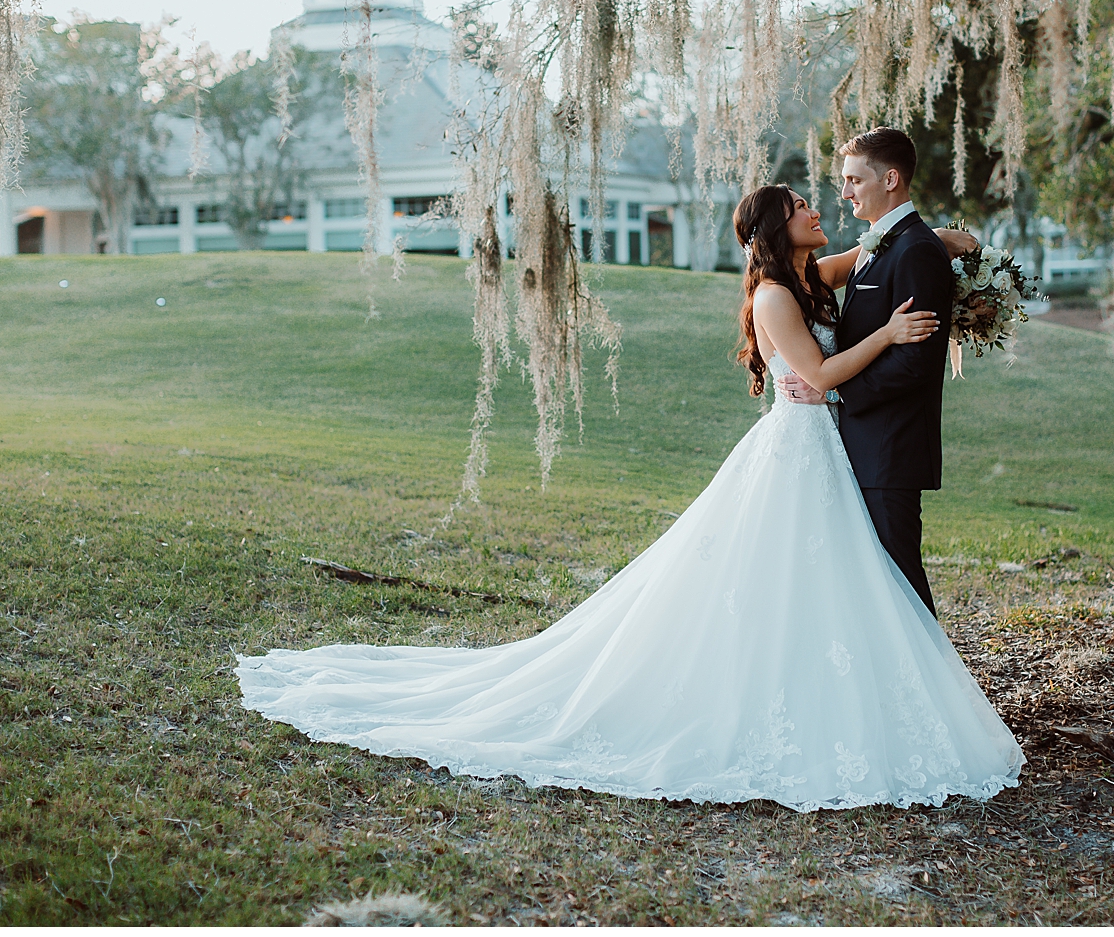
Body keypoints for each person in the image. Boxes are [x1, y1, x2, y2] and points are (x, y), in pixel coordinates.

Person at [235, 184, 1023, 811]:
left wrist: (942, 240)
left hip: (822, 454)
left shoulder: (806, 276)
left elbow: (871, 250)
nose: (819, 208)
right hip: (796, 445)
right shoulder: (774, 299)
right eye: (803, 207)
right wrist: (885, 338)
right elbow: (815, 378)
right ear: (780, 228)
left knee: (824, 587)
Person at [778, 127, 950, 616]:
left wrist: (836, 395)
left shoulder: (914, 250)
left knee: (901, 586)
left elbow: (915, 364)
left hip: (890, 449)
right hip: (861, 445)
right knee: (874, 591)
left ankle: (937, 691)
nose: (845, 192)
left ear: (890, 179)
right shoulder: (883, 244)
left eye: (854, 180)